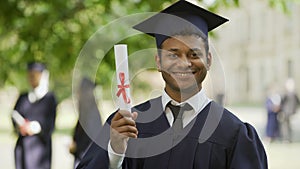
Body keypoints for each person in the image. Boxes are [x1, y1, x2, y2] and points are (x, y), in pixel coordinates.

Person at [77, 1, 268, 169]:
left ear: (209, 60)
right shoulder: (125, 126)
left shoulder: (234, 134)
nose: (184, 63)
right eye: (173, 54)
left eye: (194, 54)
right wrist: (114, 154)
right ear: (158, 61)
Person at [11, 62, 57, 169]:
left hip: (40, 149)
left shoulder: (49, 99)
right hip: (23, 148)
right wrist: (20, 126)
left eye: (35, 75)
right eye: (30, 75)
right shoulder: (23, 97)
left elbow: (50, 124)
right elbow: (15, 115)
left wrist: (35, 127)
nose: (32, 78)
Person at [69, 77, 97, 168]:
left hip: (85, 158)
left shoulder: (92, 113)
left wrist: (76, 147)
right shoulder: (85, 111)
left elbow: (90, 139)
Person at [279, 78, 299, 142]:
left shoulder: (288, 94)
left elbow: (282, 103)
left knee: (286, 126)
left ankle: (287, 138)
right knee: (287, 125)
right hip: (289, 112)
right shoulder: (292, 94)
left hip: (287, 112)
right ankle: (287, 138)